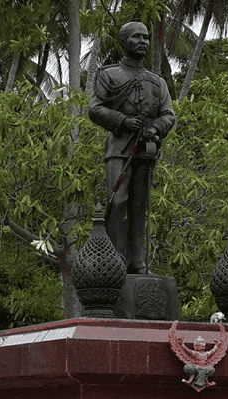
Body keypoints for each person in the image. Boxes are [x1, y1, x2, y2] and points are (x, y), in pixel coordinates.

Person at [88, 21, 176, 275]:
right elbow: (95, 108)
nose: (142, 42)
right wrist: (123, 121)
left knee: (140, 207)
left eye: (146, 37)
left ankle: (137, 262)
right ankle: (116, 261)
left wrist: (156, 128)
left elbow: (168, 114)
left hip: (146, 151)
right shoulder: (108, 75)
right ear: (123, 42)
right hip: (119, 148)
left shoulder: (157, 82)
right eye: (136, 37)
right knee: (117, 202)